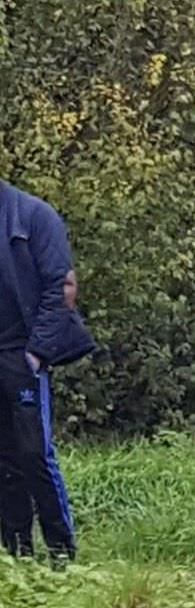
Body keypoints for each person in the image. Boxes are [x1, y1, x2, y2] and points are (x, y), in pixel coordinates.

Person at [0, 180, 96, 565]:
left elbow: (62, 288)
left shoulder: (32, 216)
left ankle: (62, 554)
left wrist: (37, 354)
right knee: (3, 459)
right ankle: (17, 553)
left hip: (22, 354)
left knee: (35, 454)